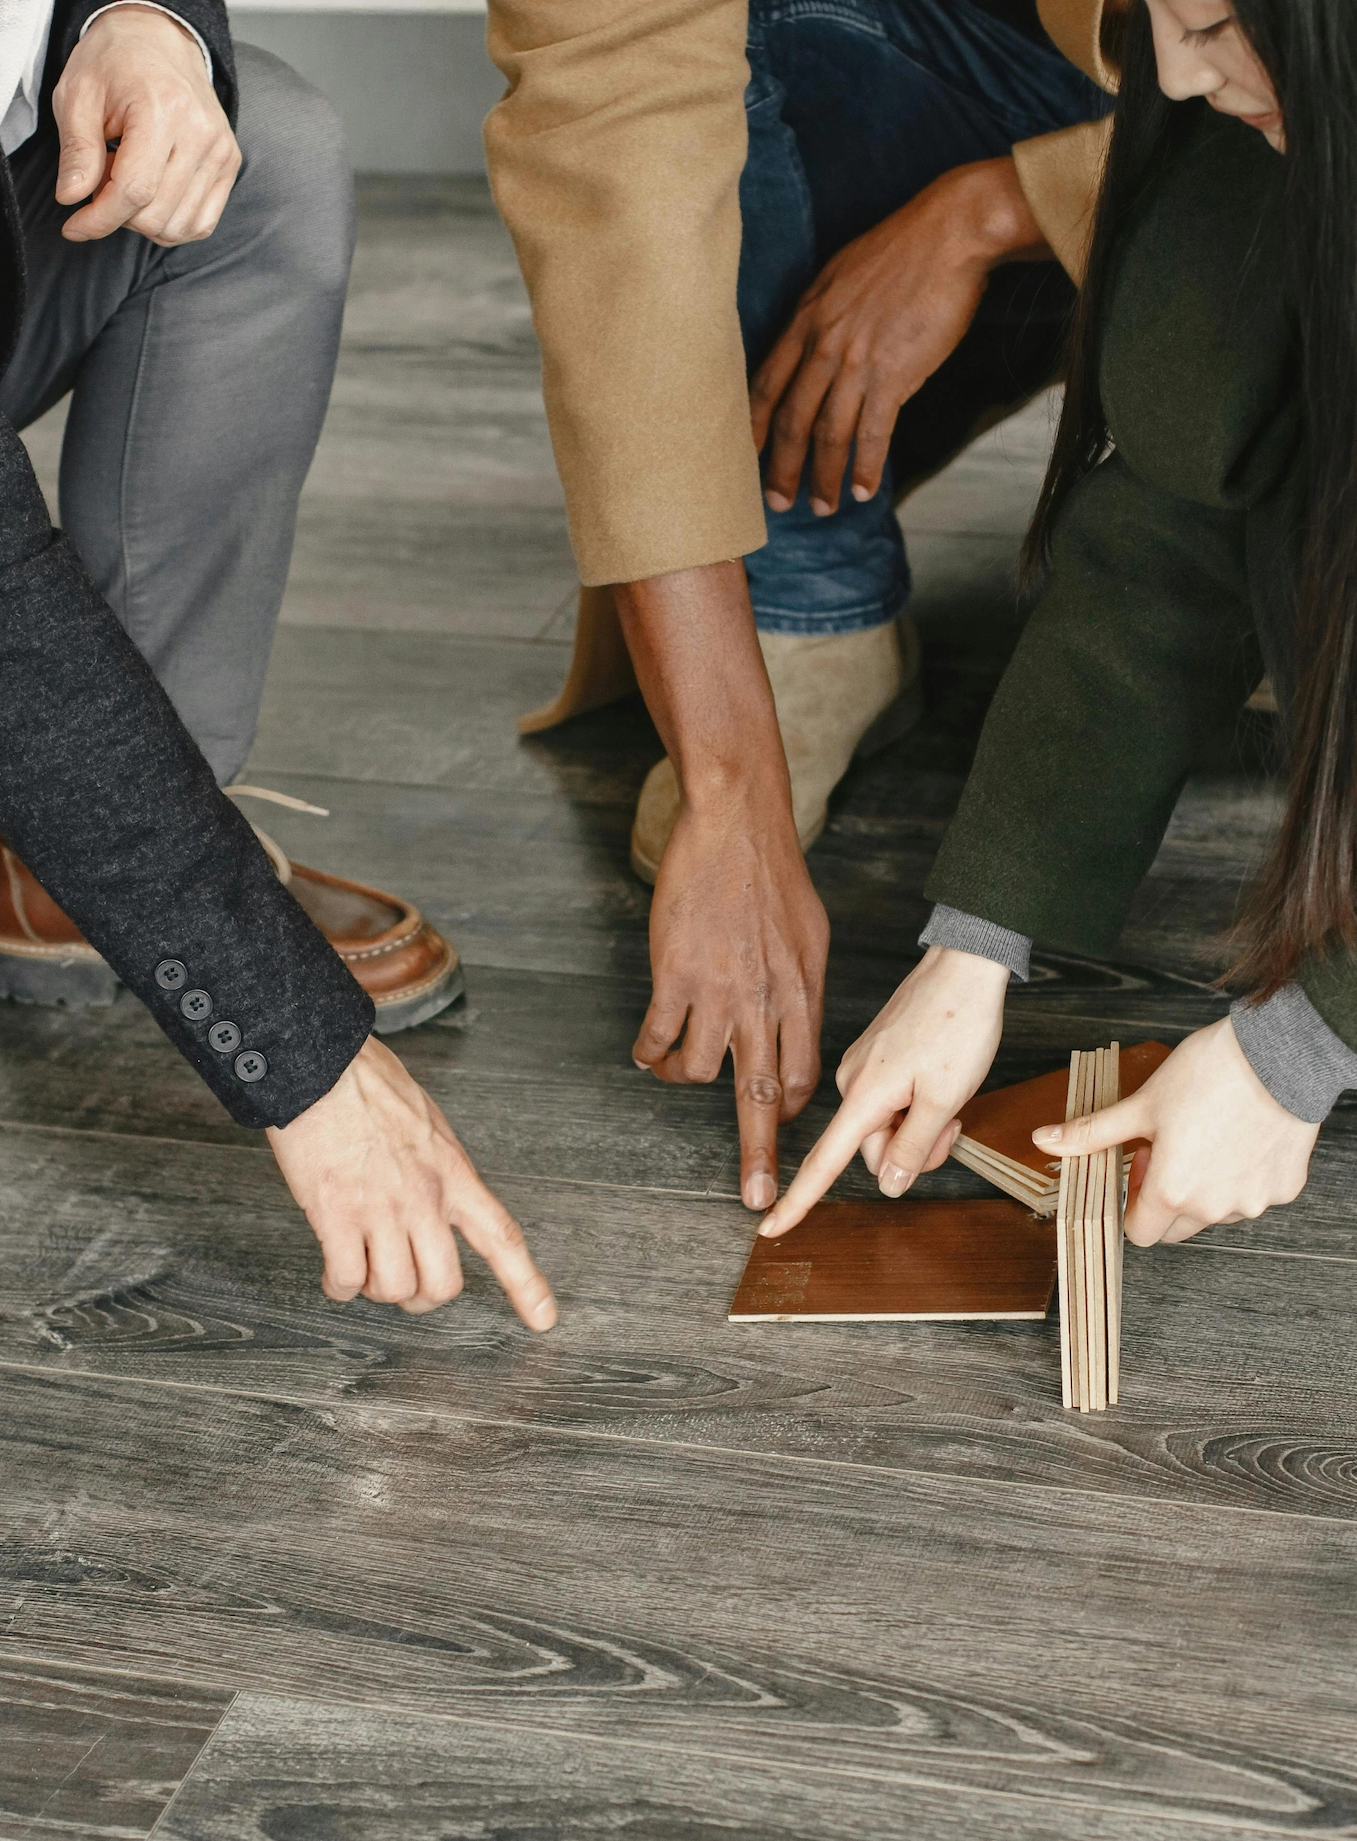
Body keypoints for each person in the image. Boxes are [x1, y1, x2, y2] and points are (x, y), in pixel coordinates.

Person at [763, 0, 1357, 1243]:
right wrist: (971, 951)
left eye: (1215, 19)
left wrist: (1300, 1055)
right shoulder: (1290, 75)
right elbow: (1175, 513)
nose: (1172, 70)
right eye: (1160, 9)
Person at [0, 0, 556, 1328]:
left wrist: (138, 18)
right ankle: (138, 863)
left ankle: (82, 872)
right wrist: (300, 1047)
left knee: (253, 147)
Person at [484, 0, 1120, 1215]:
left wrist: (1004, 205)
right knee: (729, 41)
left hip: (1253, 113)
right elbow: (612, 110)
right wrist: (733, 777)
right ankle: (811, 605)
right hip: (931, 64)